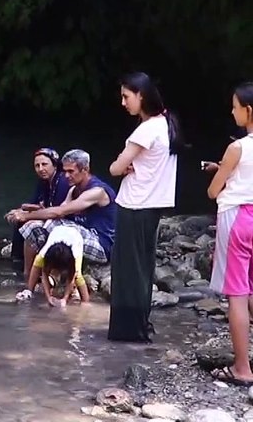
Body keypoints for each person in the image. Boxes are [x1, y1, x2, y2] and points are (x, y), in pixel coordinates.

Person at [106, 72, 182, 343]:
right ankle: (140, 323)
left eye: (127, 97)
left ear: (141, 96)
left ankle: (128, 330)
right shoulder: (166, 122)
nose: (123, 102)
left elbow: (115, 168)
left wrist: (123, 167)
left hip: (135, 204)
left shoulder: (146, 130)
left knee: (128, 268)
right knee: (143, 266)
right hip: (152, 204)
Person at [204, 82, 253, 384]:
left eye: (235, 106)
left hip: (237, 218)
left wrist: (221, 173)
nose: (232, 111)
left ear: (248, 111)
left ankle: (242, 369)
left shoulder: (237, 147)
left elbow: (214, 192)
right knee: (250, 286)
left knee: (236, 294)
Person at [11, 149, 117, 294]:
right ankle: (29, 276)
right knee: (32, 226)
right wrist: (30, 217)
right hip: (79, 238)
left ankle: (52, 274)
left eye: (71, 171)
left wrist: (26, 215)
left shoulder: (97, 191)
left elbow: (59, 213)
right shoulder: (73, 189)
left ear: (85, 169)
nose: (66, 175)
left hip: (101, 245)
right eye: (65, 171)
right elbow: (57, 211)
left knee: (54, 225)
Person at [3, 148, 70, 264]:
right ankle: (17, 258)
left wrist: (26, 214)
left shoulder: (62, 182)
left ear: (54, 165)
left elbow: (56, 210)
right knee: (18, 218)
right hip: (49, 214)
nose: (41, 169)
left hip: (62, 220)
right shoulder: (44, 181)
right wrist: (20, 210)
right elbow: (35, 203)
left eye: (44, 164)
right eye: (37, 166)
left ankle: (25, 263)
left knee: (27, 222)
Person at [20, 224, 92, 308]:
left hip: (76, 237)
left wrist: (65, 299)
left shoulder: (74, 258)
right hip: (57, 231)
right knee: (36, 266)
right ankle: (29, 290)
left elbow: (72, 278)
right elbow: (44, 274)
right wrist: (48, 297)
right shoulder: (43, 256)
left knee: (78, 277)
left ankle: (74, 292)